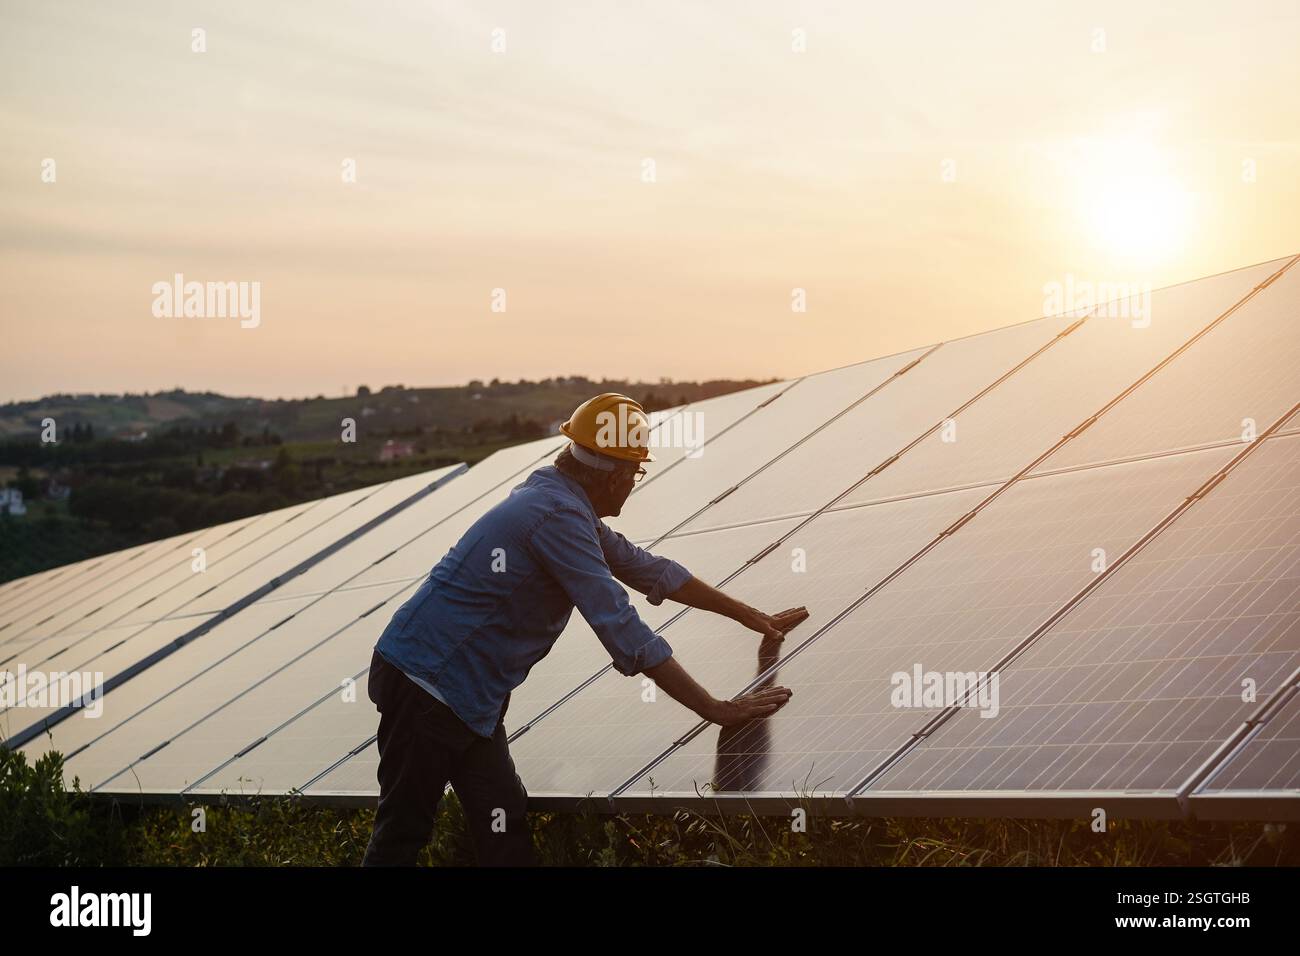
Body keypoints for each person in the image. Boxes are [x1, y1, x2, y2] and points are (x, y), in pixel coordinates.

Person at [362, 392, 803, 866]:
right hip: (427, 684)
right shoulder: (555, 517)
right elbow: (624, 629)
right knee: (403, 833)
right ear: (614, 476)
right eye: (635, 473)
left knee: (502, 817)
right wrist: (716, 709)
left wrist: (748, 615)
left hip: (468, 696)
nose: (634, 484)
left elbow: (648, 569)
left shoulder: (559, 499)